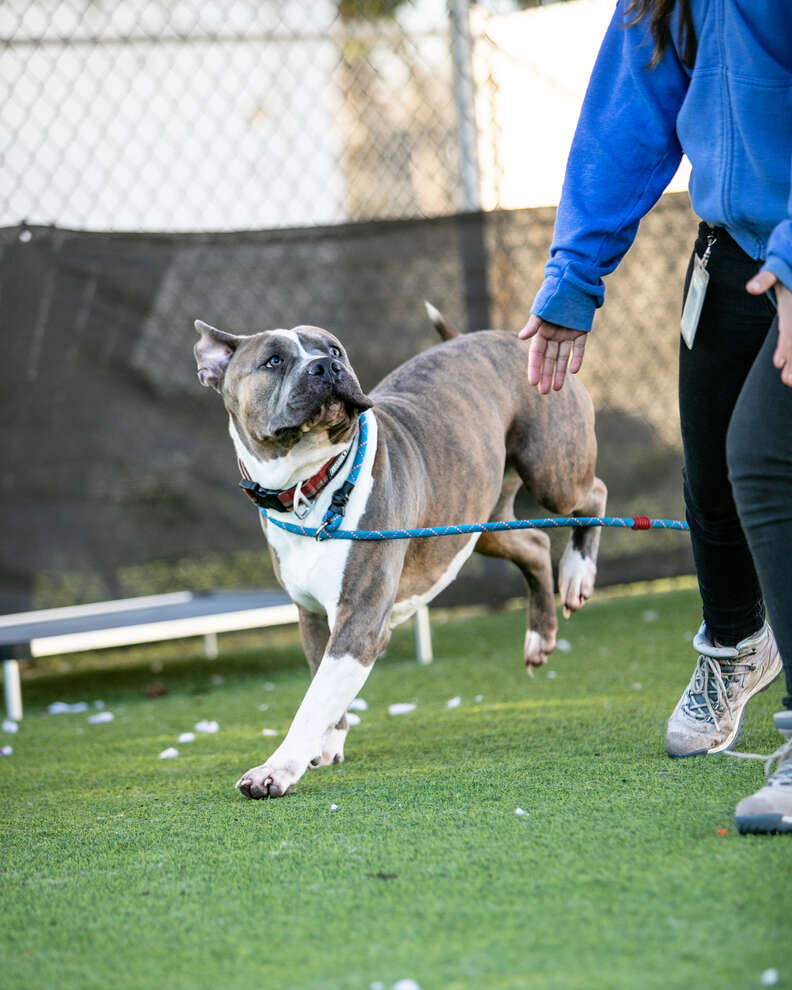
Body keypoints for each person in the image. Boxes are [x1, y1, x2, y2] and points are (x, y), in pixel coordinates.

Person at [521, 0, 792, 833]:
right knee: (713, 474)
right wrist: (574, 279)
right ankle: (739, 640)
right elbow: (627, 114)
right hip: (733, 249)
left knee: (766, 462)